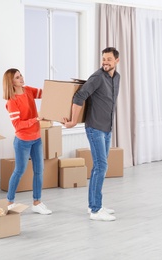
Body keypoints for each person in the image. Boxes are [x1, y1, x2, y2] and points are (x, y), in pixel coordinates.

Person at [63, 47, 120, 221]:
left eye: (109, 59)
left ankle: (94, 205)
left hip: (107, 128)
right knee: (101, 167)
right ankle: (96, 210)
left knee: (99, 167)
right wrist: (73, 121)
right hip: (95, 128)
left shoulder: (116, 77)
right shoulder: (97, 77)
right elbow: (79, 96)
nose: (105, 62)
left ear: (117, 61)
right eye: (103, 59)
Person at [2, 68, 52, 215]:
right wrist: (35, 119)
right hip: (22, 140)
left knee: (39, 170)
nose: (21, 78)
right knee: (20, 170)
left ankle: (37, 202)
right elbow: (17, 125)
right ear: (11, 82)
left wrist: (58, 91)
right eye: (17, 77)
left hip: (36, 138)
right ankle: (10, 201)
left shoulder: (28, 90)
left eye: (21, 75)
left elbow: (45, 93)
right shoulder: (12, 101)